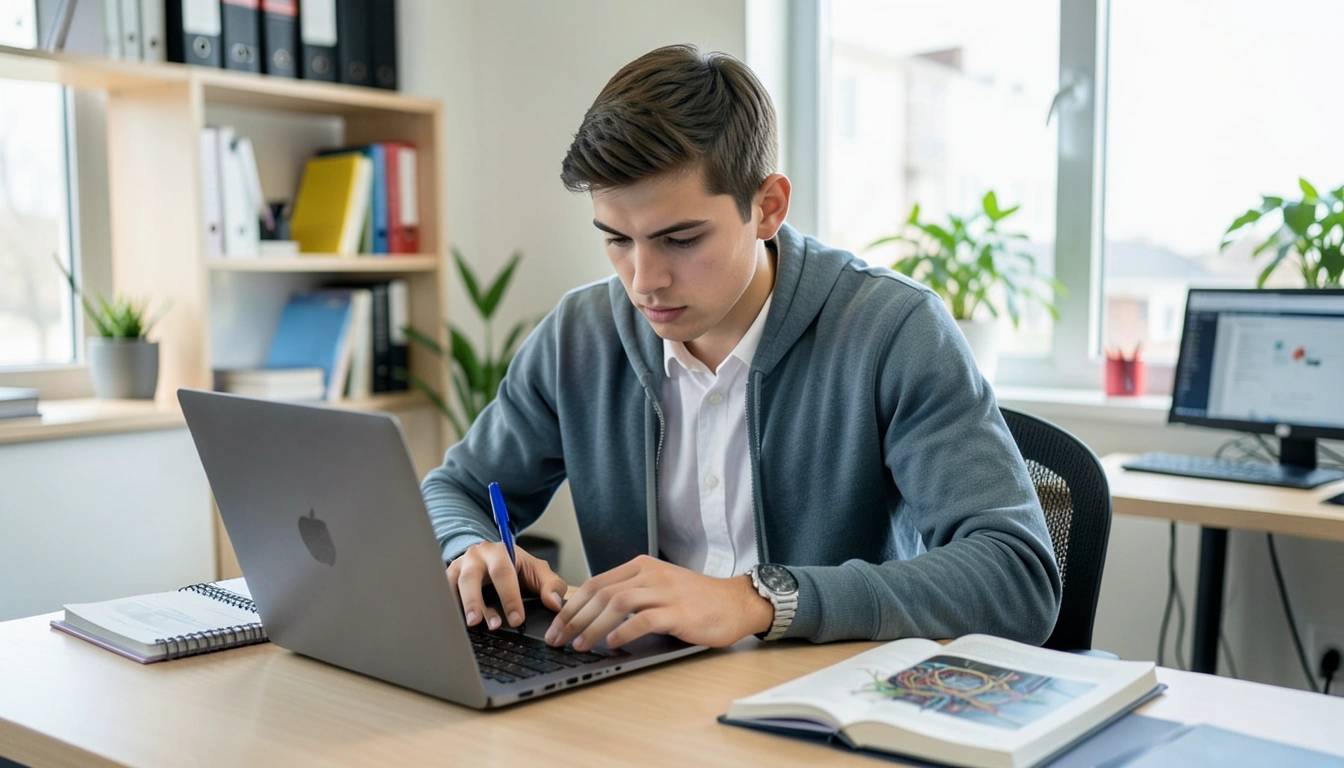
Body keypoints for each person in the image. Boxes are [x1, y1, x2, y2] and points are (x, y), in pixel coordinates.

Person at [421, 44, 1061, 653]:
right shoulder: (578, 336)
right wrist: (467, 546)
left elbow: (1016, 574)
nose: (644, 281)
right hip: (641, 704)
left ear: (768, 207)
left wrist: (759, 599)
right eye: (616, 239)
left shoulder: (893, 330)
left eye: (680, 238)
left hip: (825, 712)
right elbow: (457, 489)